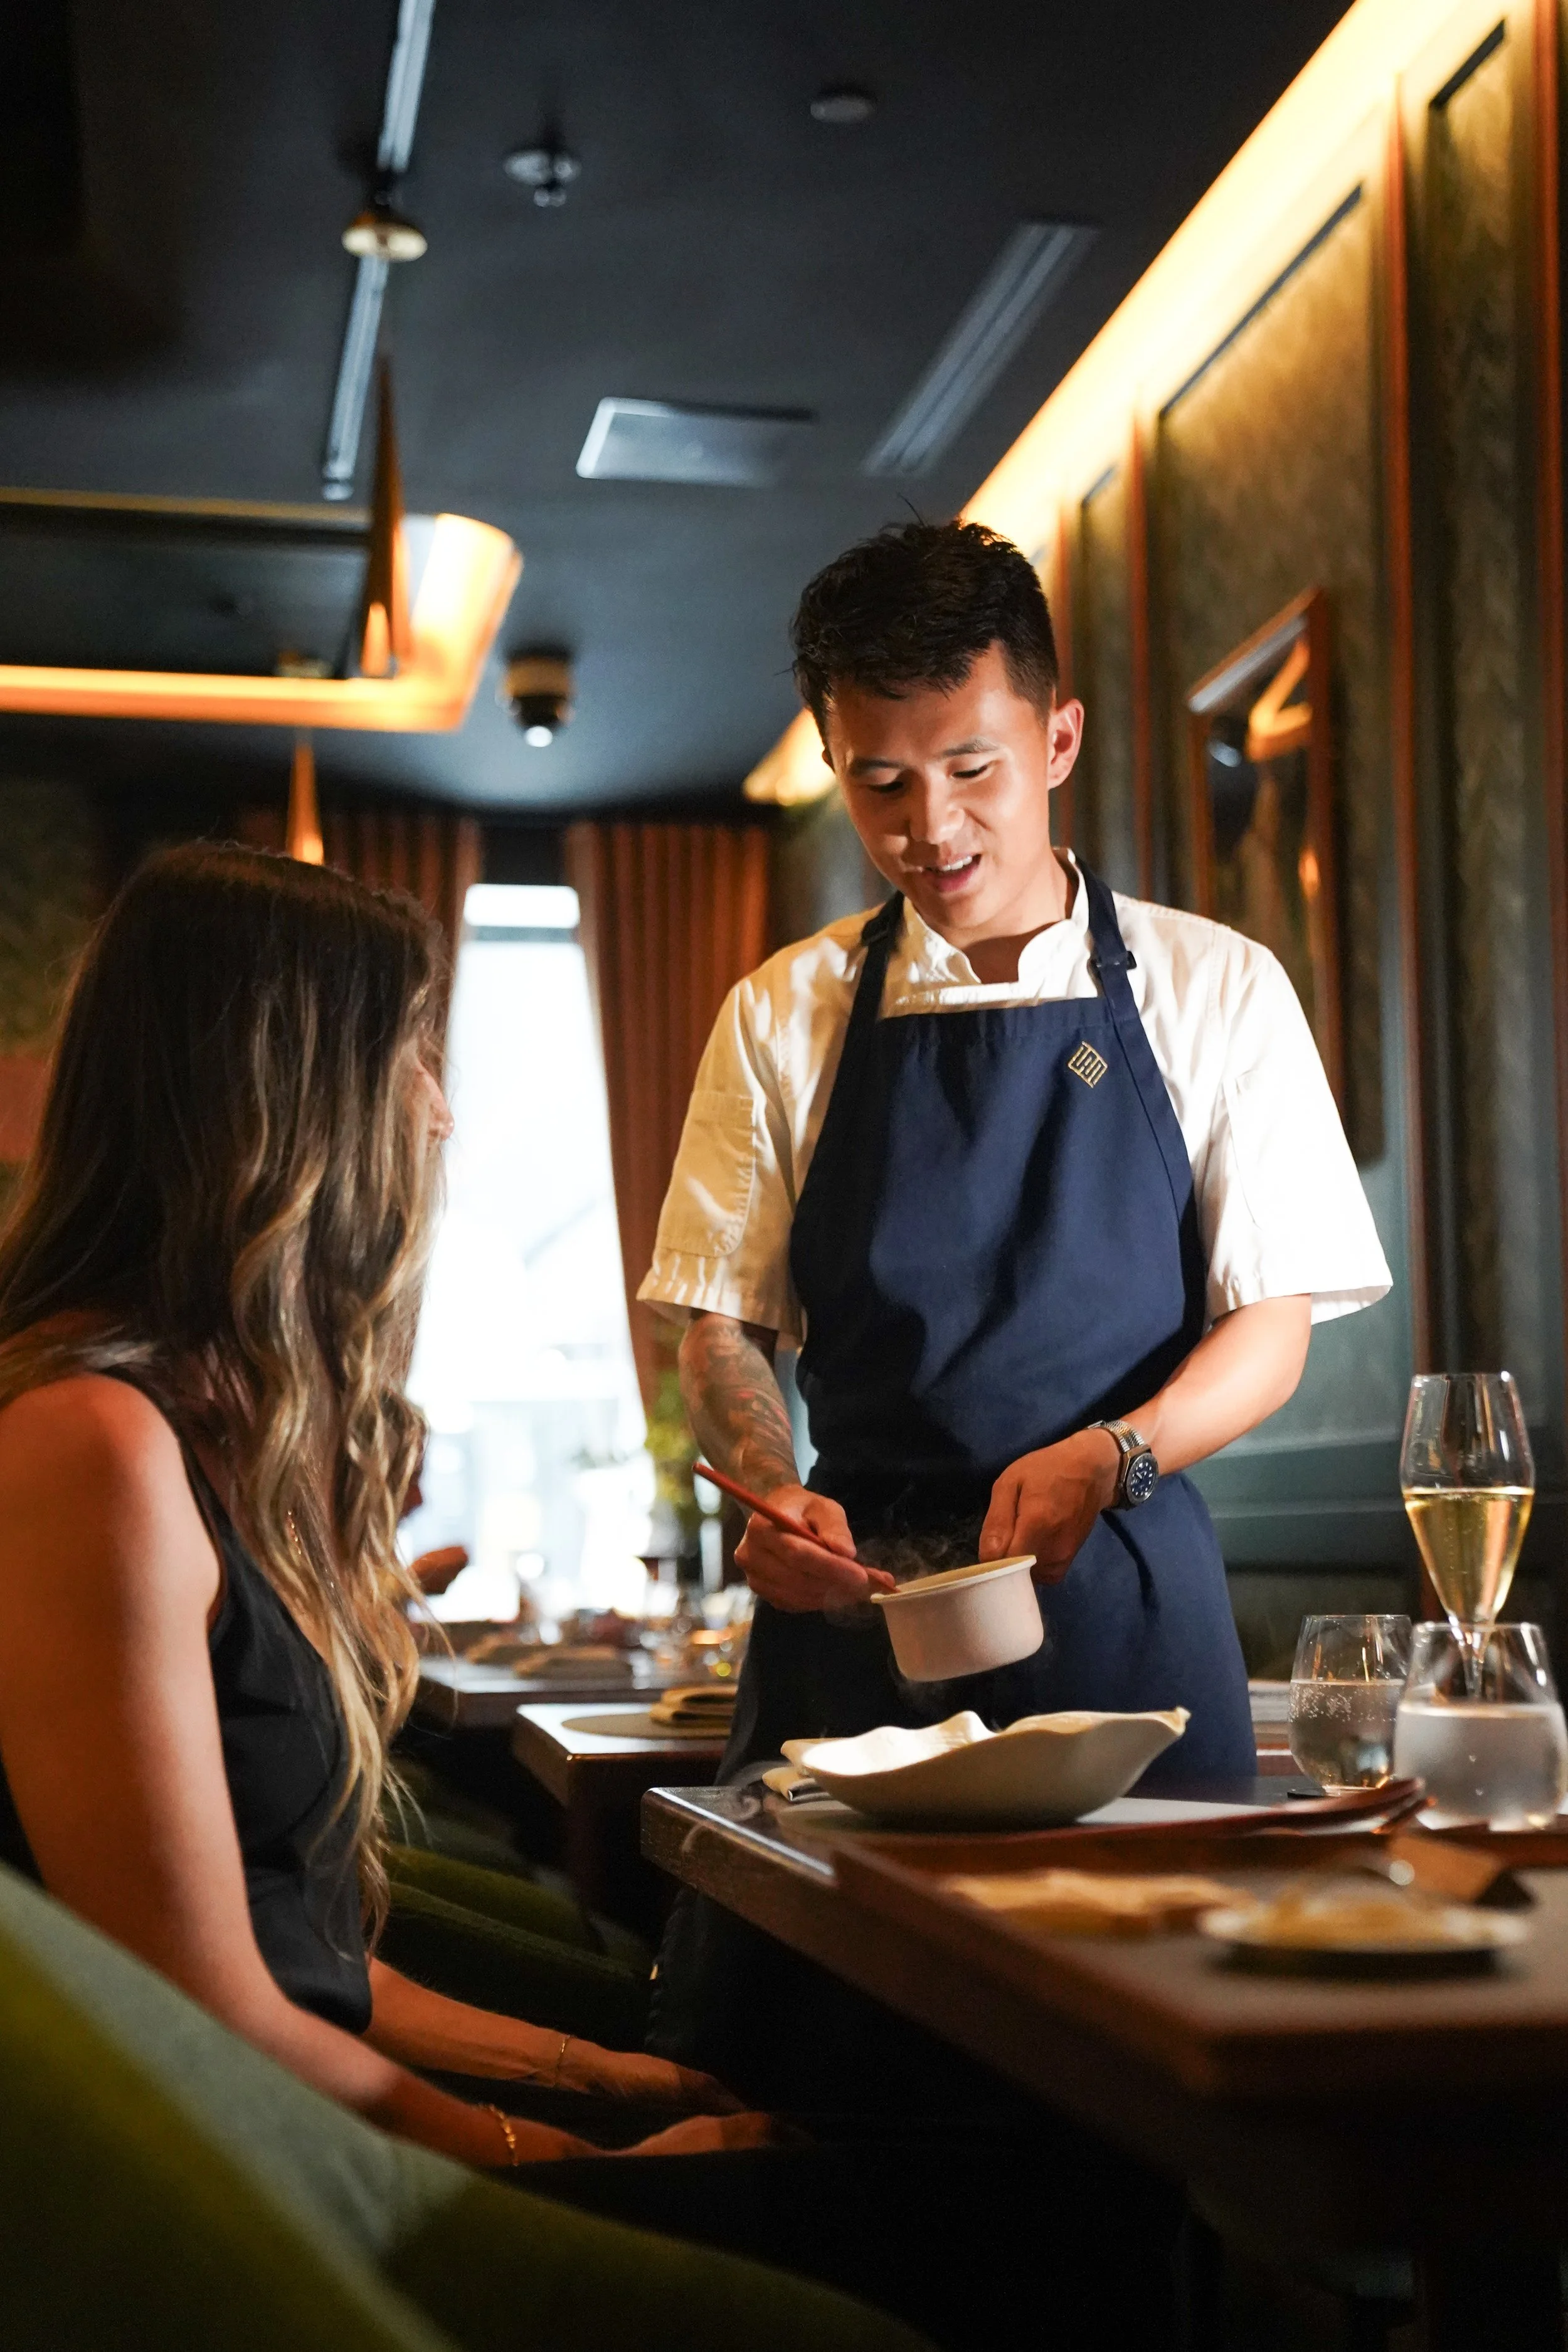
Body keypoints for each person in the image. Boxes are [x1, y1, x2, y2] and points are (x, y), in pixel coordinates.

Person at [639, 519, 1391, 2095]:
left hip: (1123, 1604)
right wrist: (774, 1488)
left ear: (1053, 736)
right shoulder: (781, 1012)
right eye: (880, 781)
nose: (930, 826)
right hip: (855, 1639)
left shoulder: (1210, 986)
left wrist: (1110, 1456)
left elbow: (1271, 1322)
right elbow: (721, 1317)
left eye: (970, 767)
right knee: (836, 2092)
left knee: (1141, 2093)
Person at [0, 843, 756, 2172]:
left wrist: (599, 2076)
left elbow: (306, 1963)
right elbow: (203, 2018)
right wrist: (560, 2164)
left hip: (291, 2138)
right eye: (415, 1055)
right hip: (236, 2203)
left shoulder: (189, 1422)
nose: (442, 1113)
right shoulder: (90, 1445)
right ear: (287, 1098)